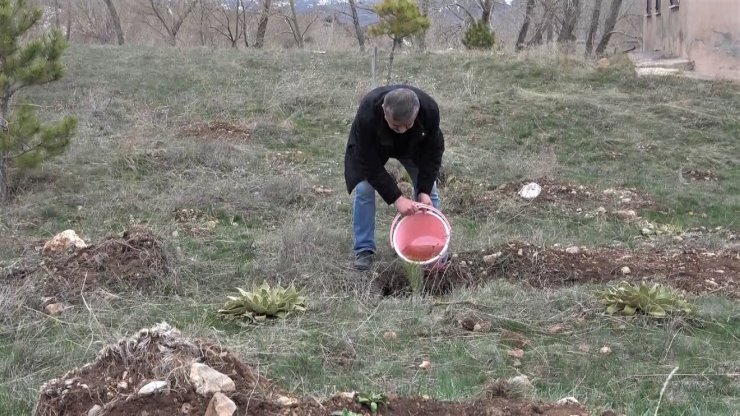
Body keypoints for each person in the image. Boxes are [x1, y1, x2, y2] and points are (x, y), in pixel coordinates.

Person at [344, 85, 445, 270]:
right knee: (364, 189)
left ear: (417, 113)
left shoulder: (429, 110)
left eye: (408, 124)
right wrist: (396, 198)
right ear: (384, 110)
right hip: (376, 148)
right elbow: (367, 161)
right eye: (396, 125)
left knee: (430, 192)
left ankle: (434, 250)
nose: (402, 130)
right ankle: (363, 249)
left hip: (415, 147)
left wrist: (423, 190)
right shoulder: (367, 113)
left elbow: (433, 152)